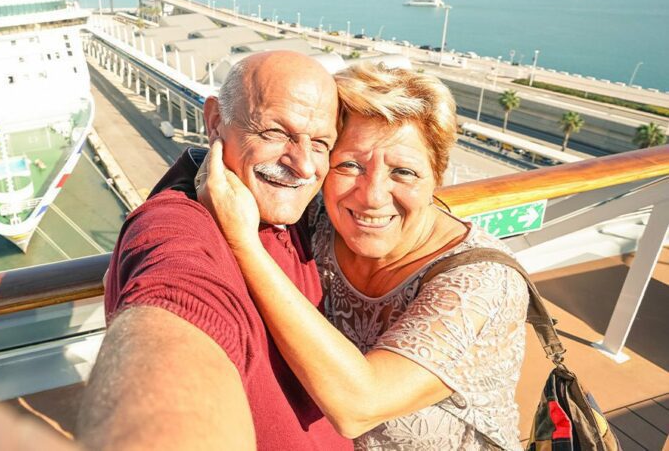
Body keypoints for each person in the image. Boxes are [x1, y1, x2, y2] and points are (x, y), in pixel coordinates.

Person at [198, 63, 528, 450]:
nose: (372, 196)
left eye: (403, 172)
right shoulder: (319, 221)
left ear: (436, 178)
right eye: (350, 165)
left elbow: (360, 404)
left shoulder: (483, 284)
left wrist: (243, 243)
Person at [76, 51, 351, 450]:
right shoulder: (176, 228)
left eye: (322, 143)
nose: (305, 165)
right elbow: (176, 301)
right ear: (214, 121)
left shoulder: (299, 212)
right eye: (276, 133)